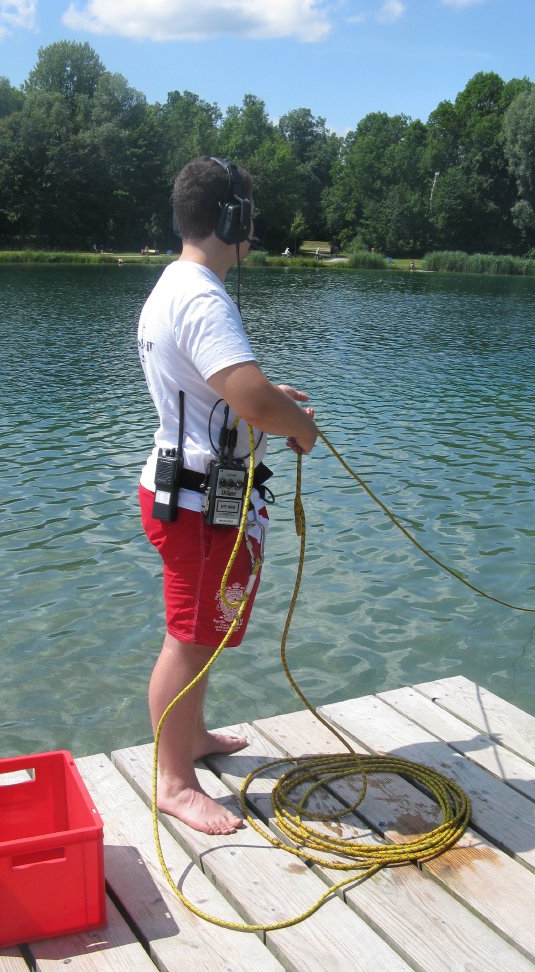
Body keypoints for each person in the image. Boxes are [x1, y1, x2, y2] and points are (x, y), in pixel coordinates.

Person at [137, 156, 318, 836]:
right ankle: (174, 782)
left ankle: (194, 736)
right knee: (187, 640)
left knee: (201, 632)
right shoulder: (205, 297)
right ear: (232, 218)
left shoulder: (174, 284)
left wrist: (269, 402)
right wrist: (296, 425)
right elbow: (246, 394)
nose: (258, 227)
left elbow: (220, 388)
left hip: (186, 490)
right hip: (196, 506)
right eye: (252, 214)